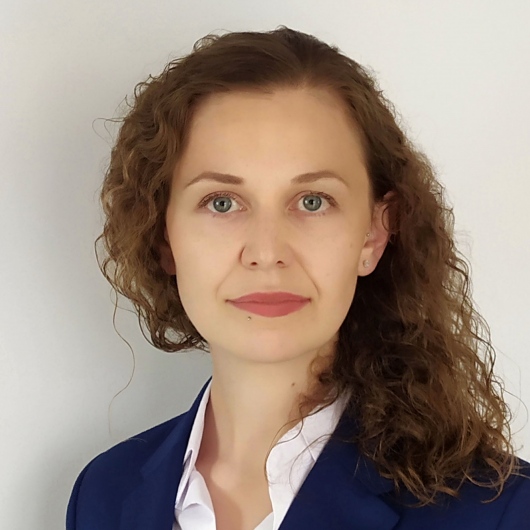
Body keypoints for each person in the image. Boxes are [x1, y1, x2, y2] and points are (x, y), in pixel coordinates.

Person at [66, 26, 530, 530]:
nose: (267, 253)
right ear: (162, 236)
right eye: (221, 203)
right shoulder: (104, 494)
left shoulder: (504, 511)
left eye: (312, 201)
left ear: (374, 235)